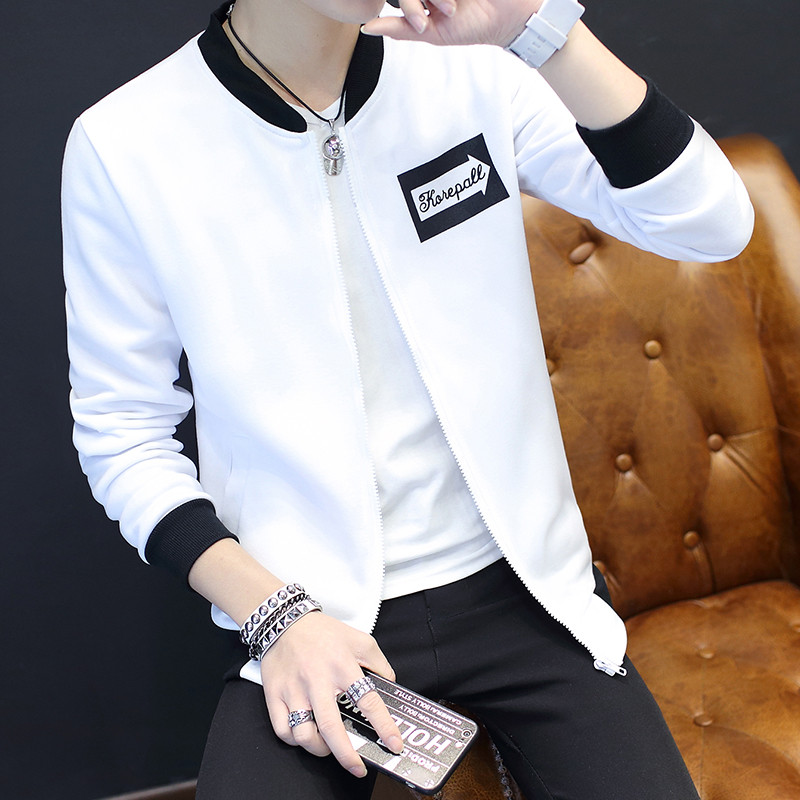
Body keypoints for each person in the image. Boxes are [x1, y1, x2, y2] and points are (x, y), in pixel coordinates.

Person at [61, 0, 753, 797]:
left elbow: (711, 225)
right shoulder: (127, 142)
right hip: (310, 613)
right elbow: (123, 435)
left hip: (527, 592)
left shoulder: (473, 68)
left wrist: (543, 29)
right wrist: (277, 617)